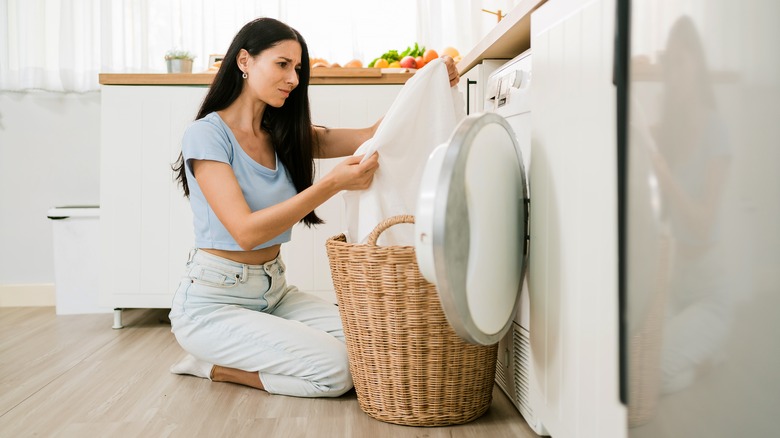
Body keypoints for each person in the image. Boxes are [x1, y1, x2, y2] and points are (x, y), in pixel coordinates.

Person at [168, 17, 460, 398]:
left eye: (298, 68)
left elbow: (370, 136)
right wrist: (331, 184)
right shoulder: (206, 134)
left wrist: (427, 82)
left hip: (274, 293)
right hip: (213, 304)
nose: (293, 78)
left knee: (374, 341)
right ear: (244, 61)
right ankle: (213, 368)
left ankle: (256, 346)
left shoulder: (283, 134)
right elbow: (246, 230)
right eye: (282, 64)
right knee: (339, 372)